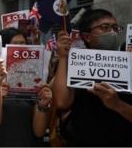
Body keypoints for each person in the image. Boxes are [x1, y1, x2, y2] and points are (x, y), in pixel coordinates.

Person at [53, 9, 132, 146]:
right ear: (87, 37)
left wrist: (117, 105)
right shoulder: (76, 63)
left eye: (115, 28)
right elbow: (62, 102)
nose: (112, 32)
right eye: (105, 27)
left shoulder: (129, 64)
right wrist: (63, 57)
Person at [0, 27, 52, 146]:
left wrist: (42, 106)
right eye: (15, 44)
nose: (20, 49)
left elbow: (39, 132)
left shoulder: (36, 81)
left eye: (23, 44)